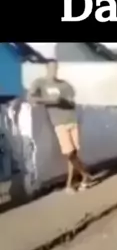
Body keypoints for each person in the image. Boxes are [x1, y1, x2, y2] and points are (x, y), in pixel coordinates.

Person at [28, 60, 93, 194]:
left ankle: (70, 184)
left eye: (56, 68)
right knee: (69, 153)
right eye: (51, 68)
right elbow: (30, 98)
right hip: (59, 122)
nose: (54, 71)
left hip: (72, 120)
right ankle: (85, 174)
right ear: (46, 68)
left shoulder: (64, 84)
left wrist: (65, 102)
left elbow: (72, 100)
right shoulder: (40, 83)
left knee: (73, 153)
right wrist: (50, 101)